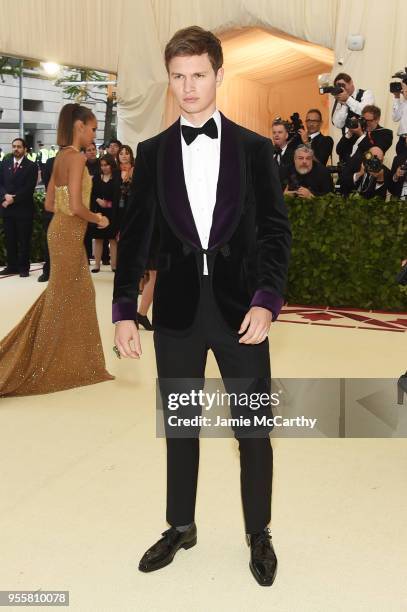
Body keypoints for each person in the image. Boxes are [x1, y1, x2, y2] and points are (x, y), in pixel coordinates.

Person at [113, 26, 291, 587]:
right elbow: (135, 236)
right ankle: (181, 525)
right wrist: (122, 309)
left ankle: (258, 533)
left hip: (243, 312)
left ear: (218, 75)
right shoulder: (153, 152)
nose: (188, 87)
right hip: (177, 314)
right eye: (178, 77)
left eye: (198, 75)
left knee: (253, 431)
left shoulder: (254, 149)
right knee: (182, 426)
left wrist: (266, 300)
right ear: (170, 81)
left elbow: (274, 233)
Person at [0, 103, 114, 397]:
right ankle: (41, 363)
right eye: (92, 128)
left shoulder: (60, 156)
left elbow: (51, 204)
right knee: (62, 298)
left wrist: (72, 218)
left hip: (59, 232)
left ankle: (70, 360)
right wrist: (98, 217)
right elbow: (76, 206)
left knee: (70, 295)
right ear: (79, 126)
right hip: (67, 235)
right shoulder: (75, 158)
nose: (93, 134)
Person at [118, 144, 156, 330]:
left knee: (152, 275)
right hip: (144, 231)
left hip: (145, 231)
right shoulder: (138, 183)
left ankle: (139, 313)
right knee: (150, 275)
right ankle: (139, 313)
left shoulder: (140, 180)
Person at [0, 138, 37, 277]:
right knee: (10, 239)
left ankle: (23, 268)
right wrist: (4, 197)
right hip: (7, 209)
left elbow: (29, 189)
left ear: (25, 149)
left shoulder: (31, 166)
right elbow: (0, 184)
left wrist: (12, 199)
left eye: (19, 147)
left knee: (24, 240)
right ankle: (12, 266)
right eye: (14, 146)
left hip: (23, 210)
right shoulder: (5, 163)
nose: (16, 149)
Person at [90, 154, 120, 273]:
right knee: (98, 239)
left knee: (113, 239)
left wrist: (108, 204)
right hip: (99, 213)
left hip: (113, 212)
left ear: (111, 165)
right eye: (102, 165)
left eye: (106, 165)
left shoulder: (117, 178)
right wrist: (98, 200)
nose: (104, 167)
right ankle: (97, 265)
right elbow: (91, 194)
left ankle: (114, 265)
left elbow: (119, 197)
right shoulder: (97, 178)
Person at [271, 119, 296, 184]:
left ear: (286, 135)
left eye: (280, 132)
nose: (276, 135)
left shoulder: (294, 155)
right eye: (274, 132)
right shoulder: (267, 152)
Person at [392, 78, 407, 154]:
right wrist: (397, 97)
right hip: (402, 139)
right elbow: (395, 118)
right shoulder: (404, 102)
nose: (402, 91)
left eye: (404, 89)